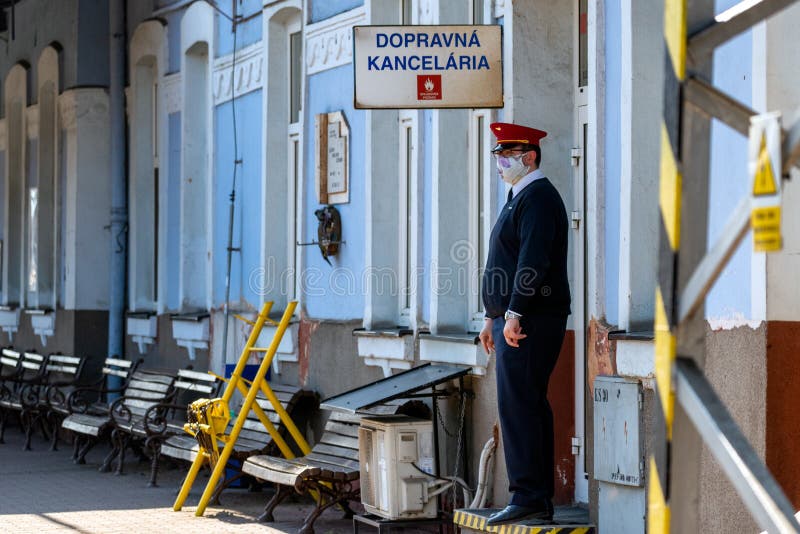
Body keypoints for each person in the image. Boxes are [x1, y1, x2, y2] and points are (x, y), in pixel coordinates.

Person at [478, 122, 571, 525]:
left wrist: (514, 314)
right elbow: (506, 261)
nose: (500, 163)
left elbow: (532, 262)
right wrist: (491, 317)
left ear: (529, 157)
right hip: (514, 319)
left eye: (506, 156)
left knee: (520, 405)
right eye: (498, 156)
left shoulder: (538, 198)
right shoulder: (519, 197)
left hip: (531, 319)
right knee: (525, 403)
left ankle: (529, 495)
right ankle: (534, 495)